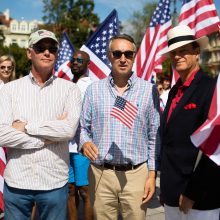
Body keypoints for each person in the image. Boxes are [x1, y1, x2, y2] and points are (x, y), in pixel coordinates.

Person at [0, 29, 81, 220]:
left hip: (53, 182)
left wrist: (26, 126)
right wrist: (46, 137)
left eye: (52, 48)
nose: (47, 52)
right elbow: (2, 134)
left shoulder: (70, 89)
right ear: (29, 53)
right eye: (40, 48)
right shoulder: (9, 90)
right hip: (18, 181)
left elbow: (68, 129)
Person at [79, 34, 161, 220]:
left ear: (134, 56)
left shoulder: (149, 90)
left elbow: (154, 135)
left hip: (136, 174)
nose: (123, 59)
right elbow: (83, 127)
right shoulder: (94, 90)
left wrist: (151, 175)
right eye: (117, 53)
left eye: (128, 54)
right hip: (101, 173)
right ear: (109, 56)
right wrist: (85, 143)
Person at [160, 25, 220, 220]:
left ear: (196, 52)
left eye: (183, 50)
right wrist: (167, 188)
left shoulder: (211, 89)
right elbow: (169, 143)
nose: (177, 56)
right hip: (171, 195)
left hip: (200, 197)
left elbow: (214, 147)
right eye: (174, 52)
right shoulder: (172, 93)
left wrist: (193, 192)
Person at [68, 50, 93, 220]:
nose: (75, 62)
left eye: (79, 60)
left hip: (82, 147)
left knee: (85, 191)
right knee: (69, 189)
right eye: (73, 60)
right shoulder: (67, 85)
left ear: (87, 64)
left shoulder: (91, 85)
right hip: (65, 146)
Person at [0, 54, 16, 219]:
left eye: (9, 68)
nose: (5, 70)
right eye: (2, 67)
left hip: (10, 140)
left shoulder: (15, 88)